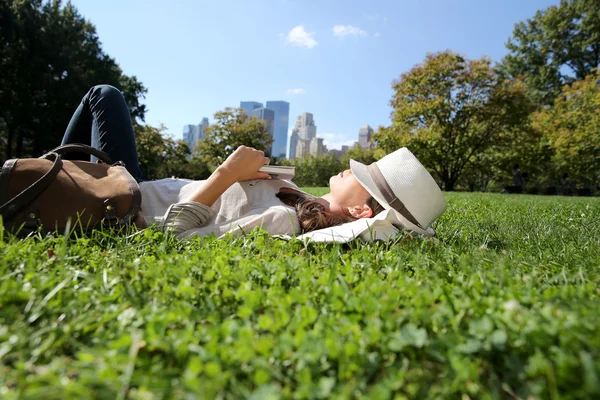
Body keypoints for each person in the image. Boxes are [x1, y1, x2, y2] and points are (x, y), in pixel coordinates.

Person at [61, 85, 447, 239]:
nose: (354, 165)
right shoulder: (298, 197)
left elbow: (171, 237)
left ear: (363, 209)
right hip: (137, 185)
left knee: (104, 96)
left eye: (364, 176)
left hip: (121, 201)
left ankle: (49, 181)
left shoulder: (283, 221)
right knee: (103, 96)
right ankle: (51, 175)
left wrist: (226, 174)